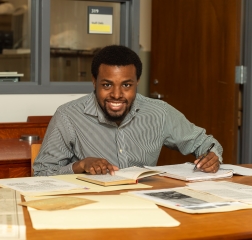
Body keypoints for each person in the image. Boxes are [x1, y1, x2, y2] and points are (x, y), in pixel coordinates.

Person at [33, 45, 222, 176]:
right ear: (94, 81)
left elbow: (205, 143)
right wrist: (81, 165)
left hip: (144, 205)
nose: (116, 94)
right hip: (91, 208)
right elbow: (41, 175)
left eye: (126, 85)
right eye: (107, 85)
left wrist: (212, 157)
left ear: (137, 82)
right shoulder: (68, 116)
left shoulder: (159, 112)